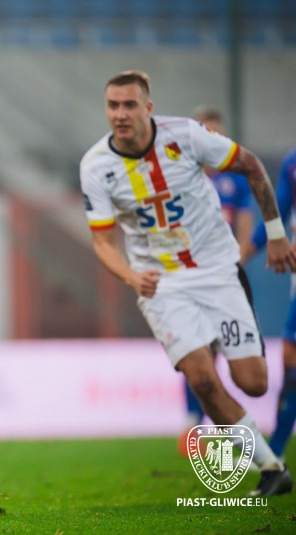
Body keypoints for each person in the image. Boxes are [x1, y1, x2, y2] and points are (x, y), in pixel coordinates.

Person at [79, 70, 295, 496]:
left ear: (148, 108)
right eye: (113, 105)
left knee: (254, 382)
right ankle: (271, 467)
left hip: (218, 270)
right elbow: (102, 241)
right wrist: (130, 275)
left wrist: (275, 234)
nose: (120, 114)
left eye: (129, 105)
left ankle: (230, 359)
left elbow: (251, 165)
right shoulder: (96, 166)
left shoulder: (187, 136)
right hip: (162, 284)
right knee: (202, 380)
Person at [172, 106, 255, 456]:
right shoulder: (178, 177)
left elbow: (246, 228)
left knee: (224, 358)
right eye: (206, 132)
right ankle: (192, 425)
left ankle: (217, 423)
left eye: (216, 133)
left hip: (223, 279)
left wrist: (236, 261)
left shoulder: (235, 181)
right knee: (196, 352)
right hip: (189, 278)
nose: (211, 139)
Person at [241, 147, 296, 463]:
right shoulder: (292, 163)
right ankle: (275, 451)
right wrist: (245, 252)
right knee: (290, 355)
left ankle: (275, 450)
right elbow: (278, 213)